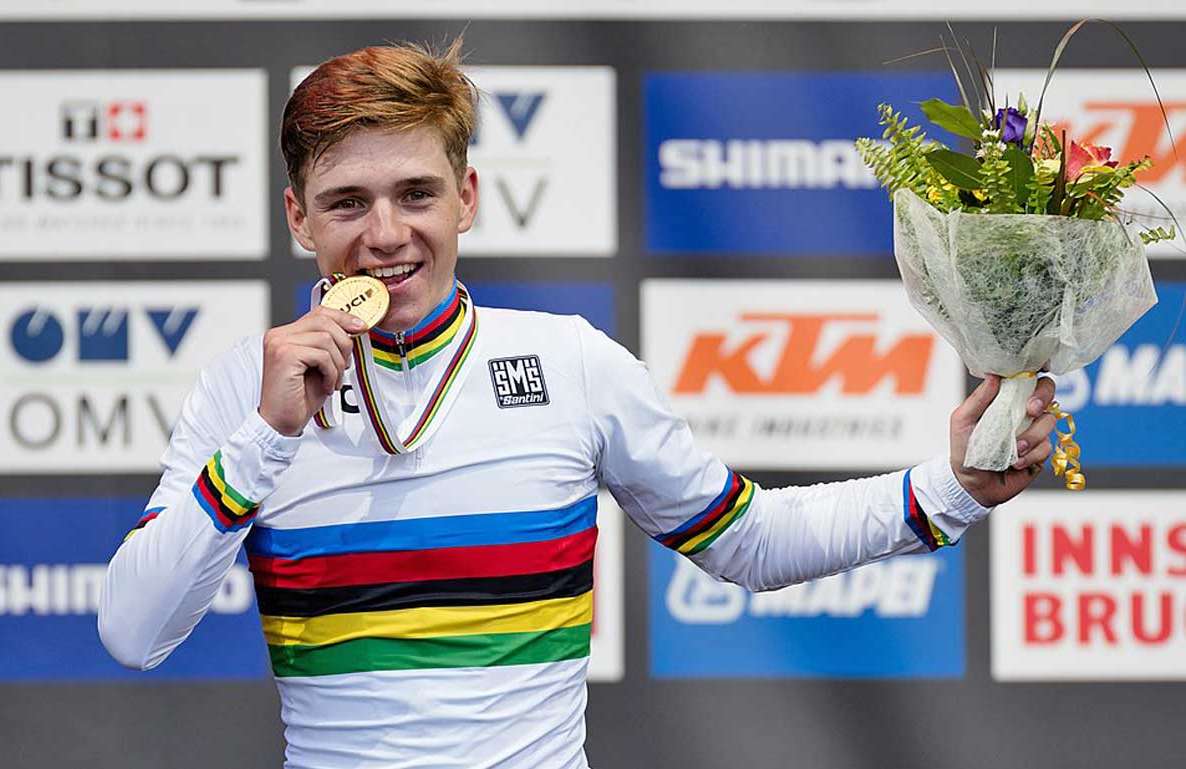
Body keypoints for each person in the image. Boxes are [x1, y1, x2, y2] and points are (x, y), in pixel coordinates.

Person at [99, 38, 1058, 769]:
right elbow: (132, 633)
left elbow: (749, 539)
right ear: (297, 216)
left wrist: (951, 486)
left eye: (416, 194)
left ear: (467, 197)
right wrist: (266, 438)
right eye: (348, 201)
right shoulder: (245, 388)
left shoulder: (572, 363)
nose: (385, 235)